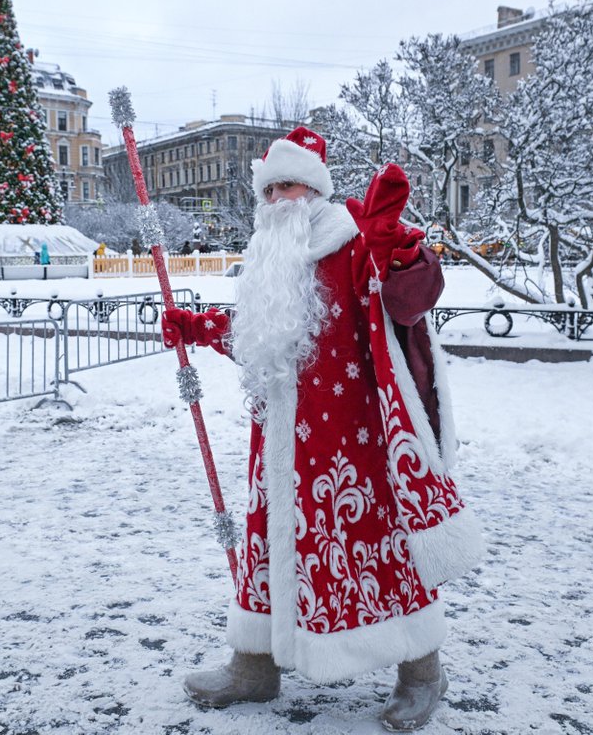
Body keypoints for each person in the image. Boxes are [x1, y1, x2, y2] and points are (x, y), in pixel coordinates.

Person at [161, 127, 483, 731]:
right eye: (271, 187)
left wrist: (402, 252)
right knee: (267, 545)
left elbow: (411, 301)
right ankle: (254, 664)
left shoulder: (354, 244)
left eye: (291, 185)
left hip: (353, 442)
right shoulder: (268, 254)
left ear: (315, 190)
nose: (280, 198)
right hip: (277, 440)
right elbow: (262, 337)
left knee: (378, 546)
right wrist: (202, 328)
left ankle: (421, 669)